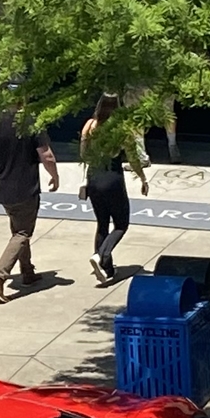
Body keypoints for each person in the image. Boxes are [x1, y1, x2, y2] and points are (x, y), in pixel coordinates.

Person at [0, 108, 58, 303]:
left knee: (18, 228)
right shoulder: (30, 122)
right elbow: (46, 155)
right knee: (22, 233)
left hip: (3, 188)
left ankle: (27, 271)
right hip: (25, 188)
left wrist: (2, 162)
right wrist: (54, 176)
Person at [77, 94, 151, 283]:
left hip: (94, 178)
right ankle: (101, 255)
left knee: (102, 223)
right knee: (121, 224)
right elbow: (133, 157)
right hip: (113, 178)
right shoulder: (121, 130)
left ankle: (107, 270)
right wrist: (142, 179)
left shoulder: (90, 126)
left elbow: (83, 154)